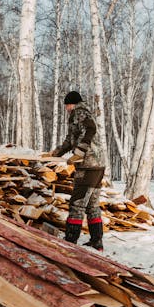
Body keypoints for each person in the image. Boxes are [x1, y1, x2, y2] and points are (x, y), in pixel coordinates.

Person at [48, 91, 106, 251]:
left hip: (88, 165)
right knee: (92, 204)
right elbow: (70, 139)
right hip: (98, 165)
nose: (66, 108)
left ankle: (70, 241)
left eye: (67, 105)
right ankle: (97, 241)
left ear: (72, 103)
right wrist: (57, 153)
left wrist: (79, 152)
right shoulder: (78, 115)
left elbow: (90, 129)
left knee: (77, 203)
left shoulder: (79, 113)